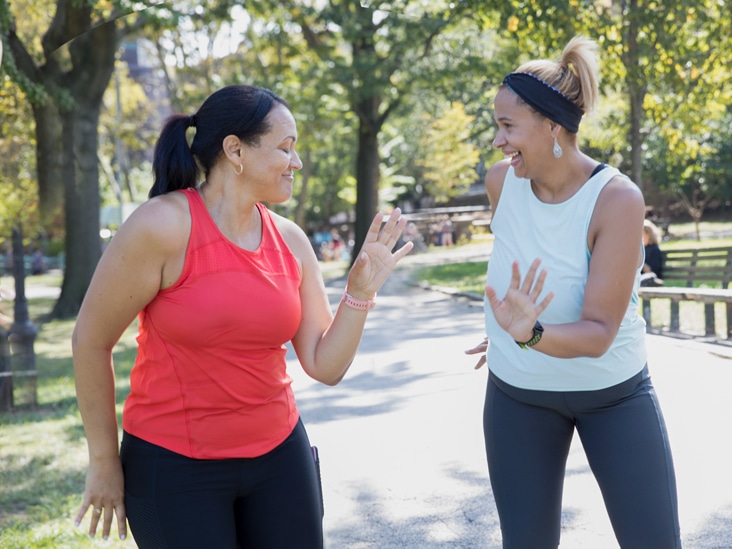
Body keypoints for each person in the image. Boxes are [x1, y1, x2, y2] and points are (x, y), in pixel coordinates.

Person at [72, 84, 413, 548]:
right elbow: (91, 342)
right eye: (285, 148)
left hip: (279, 458)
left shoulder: (290, 240)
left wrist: (359, 295)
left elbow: (324, 365)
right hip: (175, 466)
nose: (296, 162)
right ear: (235, 150)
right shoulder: (161, 227)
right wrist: (104, 461)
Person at [465, 36, 681, 548]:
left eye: (507, 126)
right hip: (518, 396)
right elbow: (523, 265)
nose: (498, 141)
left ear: (552, 125)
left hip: (613, 394)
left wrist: (529, 332)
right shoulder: (503, 182)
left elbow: (599, 332)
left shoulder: (616, 199)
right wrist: (508, 330)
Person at [641, 218, 664, 286]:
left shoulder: (654, 249)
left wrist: (642, 265)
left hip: (653, 279)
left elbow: (654, 271)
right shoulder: (643, 249)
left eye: (642, 235)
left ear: (649, 234)